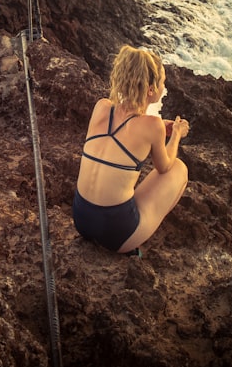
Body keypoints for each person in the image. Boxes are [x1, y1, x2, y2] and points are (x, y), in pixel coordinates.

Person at [72, 45, 190, 254]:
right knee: (179, 169)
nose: (164, 85)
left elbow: (122, 132)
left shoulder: (102, 107)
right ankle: (133, 242)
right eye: (162, 81)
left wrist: (161, 128)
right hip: (116, 234)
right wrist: (177, 135)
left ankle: (117, 230)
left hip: (81, 220)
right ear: (151, 90)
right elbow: (165, 167)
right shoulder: (152, 125)